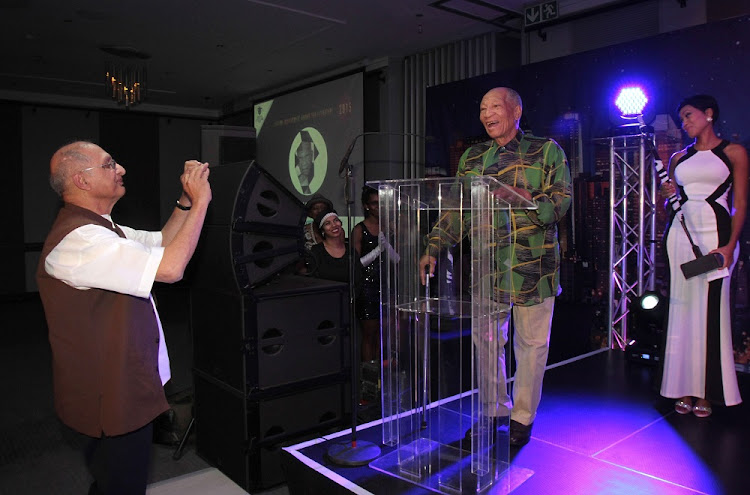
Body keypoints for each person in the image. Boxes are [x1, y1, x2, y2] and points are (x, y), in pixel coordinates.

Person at [36, 141, 212, 495]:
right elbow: (172, 267)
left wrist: (186, 202)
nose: (121, 169)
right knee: (123, 483)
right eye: (109, 164)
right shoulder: (81, 239)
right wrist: (203, 202)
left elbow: (163, 243)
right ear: (82, 181)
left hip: (120, 386)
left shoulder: (102, 228)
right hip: (110, 394)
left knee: (113, 478)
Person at [418, 87, 571, 447]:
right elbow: (456, 212)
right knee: (486, 343)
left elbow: (559, 204)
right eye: (482, 108)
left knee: (531, 345)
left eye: (495, 107)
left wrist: (522, 198)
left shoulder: (547, 151)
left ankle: (522, 416)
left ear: (516, 110)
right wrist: (433, 247)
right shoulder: (472, 158)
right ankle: (494, 410)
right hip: (488, 267)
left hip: (534, 267)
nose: (487, 114)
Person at [659, 94, 747, 417]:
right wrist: (668, 196)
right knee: (682, 311)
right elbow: (673, 204)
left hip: (716, 237)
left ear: (709, 114)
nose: (685, 123)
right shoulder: (679, 159)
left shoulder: (733, 152)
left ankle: (707, 391)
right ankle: (680, 387)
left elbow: (739, 205)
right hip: (681, 237)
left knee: (711, 314)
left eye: (689, 115)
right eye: (682, 118)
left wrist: (730, 245)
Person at [352, 186, 399, 362]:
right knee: (369, 335)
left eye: (382, 204)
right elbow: (356, 264)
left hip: (387, 285)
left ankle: (383, 376)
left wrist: (387, 246)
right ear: (366, 206)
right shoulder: (359, 229)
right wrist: (378, 250)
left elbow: (398, 259)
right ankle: (368, 378)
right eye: (375, 204)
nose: (379, 207)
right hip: (366, 287)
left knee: (384, 334)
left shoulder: (390, 227)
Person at [305, 209, 362, 287]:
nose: (334, 225)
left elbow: (358, 280)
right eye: (327, 223)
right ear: (322, 230)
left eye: (336, 220)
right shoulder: (316, 251)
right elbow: (312, 281)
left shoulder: (351, 251)